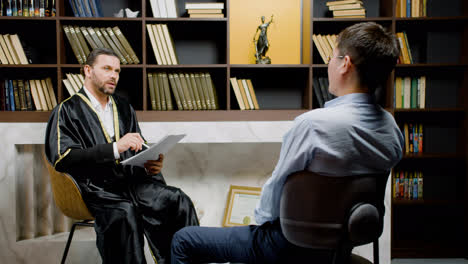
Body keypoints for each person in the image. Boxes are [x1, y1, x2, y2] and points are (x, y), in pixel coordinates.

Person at [170, 22, 404, 263]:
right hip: (339, 249)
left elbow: (276, 190)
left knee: (184, 240)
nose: (328, 64)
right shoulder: (391, 129)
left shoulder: (312, 125)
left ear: (345, 64)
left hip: (286, 246)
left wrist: (258, 230)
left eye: (332, 57)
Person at [45, 48, 199, 264]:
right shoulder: (66, 110)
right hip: (95, 189)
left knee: (177, 200)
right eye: (107, 68)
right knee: (124, 213)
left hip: (130, 182)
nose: (113, 75)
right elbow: (63, 158)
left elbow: (138, 147)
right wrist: (115, 148)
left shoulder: (124, 108)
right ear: (88, 70)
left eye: (117, 70)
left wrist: (150, 163)